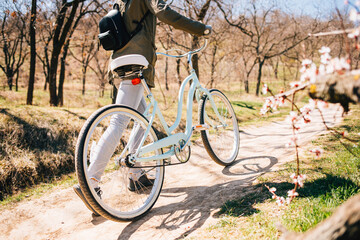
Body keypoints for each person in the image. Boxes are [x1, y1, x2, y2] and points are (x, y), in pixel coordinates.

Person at [74, 0, 212, 215]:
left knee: (142, 118)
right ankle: (91, 181)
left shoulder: (120, 1)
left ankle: (135, 174)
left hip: (119, 62)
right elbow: (164, 13)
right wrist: (200, 28)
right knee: (119, 120)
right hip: (136, 60)